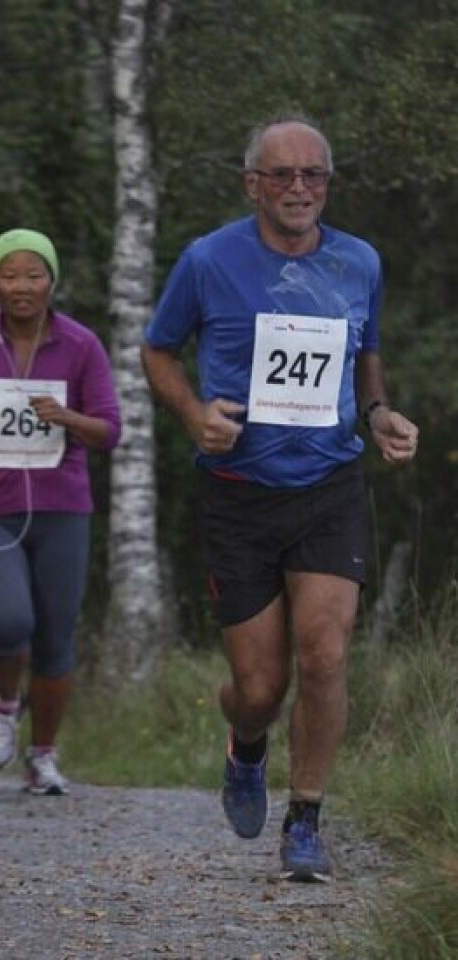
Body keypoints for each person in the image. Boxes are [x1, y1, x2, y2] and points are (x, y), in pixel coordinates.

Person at [140, 113, 419, 882]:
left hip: (330, 484)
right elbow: (156, 350)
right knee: (259, 688)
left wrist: (379, 413)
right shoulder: (208, 261)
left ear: (328, 184)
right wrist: (194, 414)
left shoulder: (359, 261)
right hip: (238, 493)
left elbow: (366, 353)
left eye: (314, 175)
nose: (300, 188)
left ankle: (306, 820)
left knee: (325, 655)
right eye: (283, 175)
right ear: (252, 185)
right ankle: (247, 745)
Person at [0, 228, 121, 796]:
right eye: (9, 275)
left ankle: (43, 756)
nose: (22, 287)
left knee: (57, 638)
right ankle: (7, 704)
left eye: (34, 275)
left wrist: (67, 418)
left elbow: (110, 430)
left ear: (52, 282)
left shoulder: (81, 345)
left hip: (63, 506)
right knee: (8, 621)